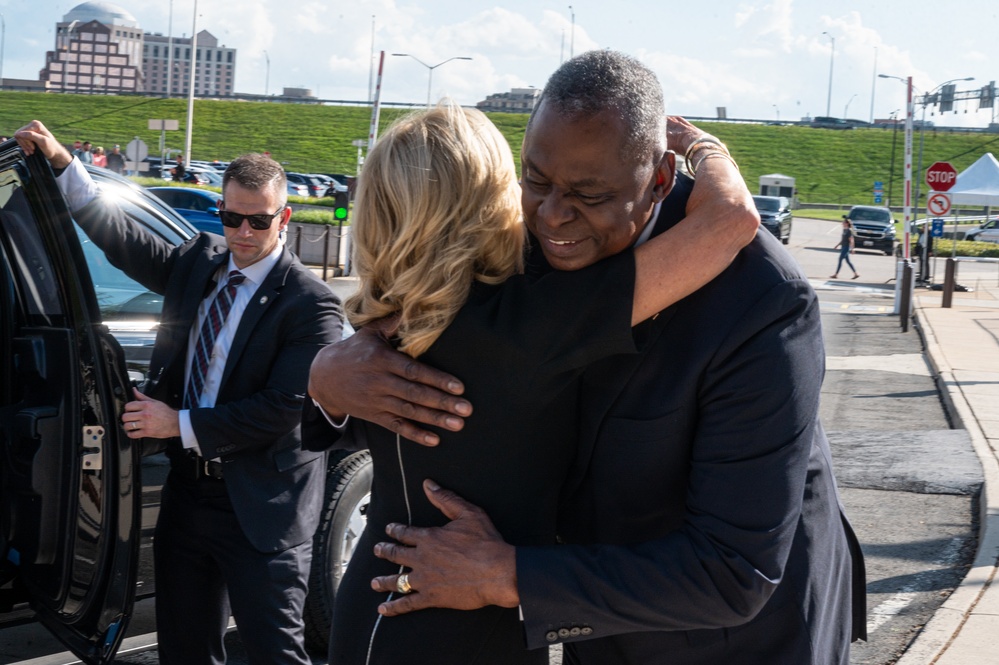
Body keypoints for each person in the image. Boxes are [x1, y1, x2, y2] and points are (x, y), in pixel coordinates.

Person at [310, 50, 866, 665]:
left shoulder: (760, 301)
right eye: (536, 180)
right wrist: (329, 378)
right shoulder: (517, 251)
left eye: (587, 194)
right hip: (544, 621)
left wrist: (510, 576)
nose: (551, 216)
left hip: (731, 642)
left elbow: (735, 573)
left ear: (657, 180)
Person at [15, 120, 343, 665]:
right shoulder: (200, 262)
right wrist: (61, 166)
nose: (242, 232)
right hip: (189, 496)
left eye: (258, 221)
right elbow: (124, 240)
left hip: (262, 508)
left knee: (274, 653)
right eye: (231, 217)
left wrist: (178, 424)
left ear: (283, 218)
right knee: (186, 649)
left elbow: (283, 410)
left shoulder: (311, 305)